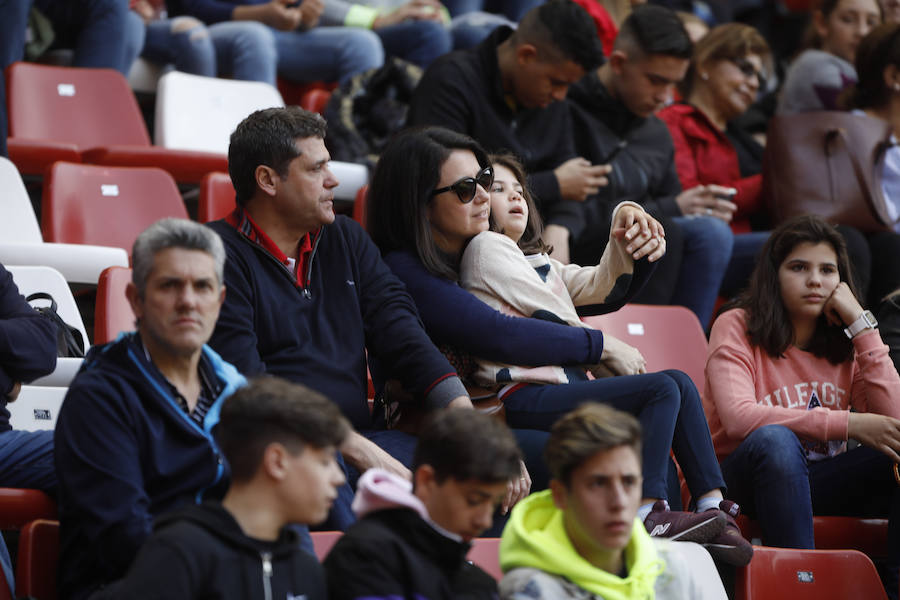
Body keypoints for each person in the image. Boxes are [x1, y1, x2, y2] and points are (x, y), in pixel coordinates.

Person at [371, 127, 752, 563]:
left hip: (505, 411)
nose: (481, 196)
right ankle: (645, 523)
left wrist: (635, 243)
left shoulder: (491, 253)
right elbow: (498, 333)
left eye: (483, 180)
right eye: (465, 188)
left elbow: (590, 289)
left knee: (650, 450)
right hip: (459, 426)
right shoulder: (407, 269)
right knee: (627, 438)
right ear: (419, 202)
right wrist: (599, 346)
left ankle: (701, 521)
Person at [206, 107, 532, 531]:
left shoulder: (345, 237)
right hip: (282, 447)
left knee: (477, 481)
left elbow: (403, 334)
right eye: (317, 167)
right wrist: (357, 448)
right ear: (267, 180)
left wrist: (468, 424)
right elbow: (249, 388)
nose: (334, 179)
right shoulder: (215, 255)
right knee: (342, 504)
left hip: (365, 440)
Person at [704, 214, 900, 598]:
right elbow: (738, 418)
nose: (815, 280)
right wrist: (848, 425)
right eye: (799, 267)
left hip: (818, 482)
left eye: (828, 270)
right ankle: (800, 589)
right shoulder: (736, 325)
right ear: (773, 276)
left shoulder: (846, 341)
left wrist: (863, 326)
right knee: (776, 441)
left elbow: (894, 421)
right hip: (745, 480)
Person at [54, 218, 247, 600]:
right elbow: (123, 538)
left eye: (202, 286)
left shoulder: (236, 391)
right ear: (136, 300)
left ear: (220, 301)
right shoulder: (100, 397)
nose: (188, 301)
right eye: (169, 285)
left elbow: (277, 509)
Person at [95, 377, 349, 600]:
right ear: (277, 462)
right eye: (325, 461)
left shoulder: (307, 571)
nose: (339, 477)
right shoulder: (179, 556)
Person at [563, 3, 735, 327]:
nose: (665, 97)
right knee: (665, 230)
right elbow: (568, 210)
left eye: (673, 85)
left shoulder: (657, 130)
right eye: (656, 81)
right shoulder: (565, 106)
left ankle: (684, 350)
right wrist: (670, 207)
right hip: (577, 245)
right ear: (618, 63)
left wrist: (687, 207)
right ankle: (638, 342)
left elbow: (669, 203)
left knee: (711, 233)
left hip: (646, 244)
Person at [500, 403, 728, 599]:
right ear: (560, 495)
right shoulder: (532, 590)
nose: (619, 502)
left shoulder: (673, 568)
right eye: (598, 484)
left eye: (629, 482)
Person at [407, 0, 607, 218]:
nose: (561, 95)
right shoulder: (449, 82)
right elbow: (452, 188)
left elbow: (573, 179)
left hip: (535, 237)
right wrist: (552, 184)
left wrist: (562, 227)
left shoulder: (551, 98)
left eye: (569, 85)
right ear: (526, 56)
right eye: (557, 82)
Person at [323, 409, 520, 599]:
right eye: (474, 501)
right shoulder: (365, 556)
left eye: (493, 504)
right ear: (427, 481)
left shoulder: (480, 584)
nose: (484, 521)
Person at [658, 22, 772, 298]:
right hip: (701, 247)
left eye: (760, 77)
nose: (754, 83)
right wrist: (774, 180)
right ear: (705, 64)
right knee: (800, 247)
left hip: (738, 246)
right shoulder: (675, 120)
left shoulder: (744, 137)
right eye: (745, 68)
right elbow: (693, 198)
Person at [171, 0, 384, 85]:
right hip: (209, 31)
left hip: (278, 33)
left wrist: (306, 15)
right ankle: (258, 152)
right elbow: (189, 6)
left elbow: (295, 6)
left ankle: (354, 150)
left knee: (363, 43)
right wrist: (260, 14)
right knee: (255, 35)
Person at [131, 0, 279, 84]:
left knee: (257, 37)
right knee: (194, 35)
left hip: (270, 26)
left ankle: (262, 134)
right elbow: (195, 8)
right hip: (144, 23)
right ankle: (202, 127)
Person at [778, 0, 881, 114]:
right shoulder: (815, 65)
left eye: (871, 22)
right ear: (821, 23)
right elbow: (866, 118)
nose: (862, 31)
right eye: (848, 19)